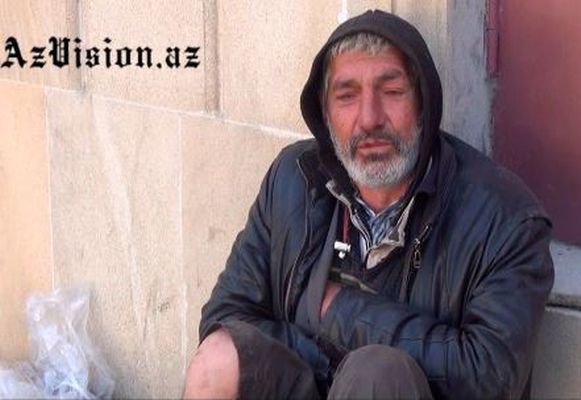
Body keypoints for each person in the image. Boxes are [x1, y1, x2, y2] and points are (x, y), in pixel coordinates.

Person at [183, 9, 554, 400]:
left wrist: (337, 311)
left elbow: (490, 376)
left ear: (423, 103)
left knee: (376, 375)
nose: (369, 118)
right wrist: (329, 364)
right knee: (219, 359)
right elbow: (226, 316)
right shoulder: (295, 179)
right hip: (313, 385)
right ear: (326, 115)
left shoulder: (504, 217)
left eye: (391, 92)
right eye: (347, 96)